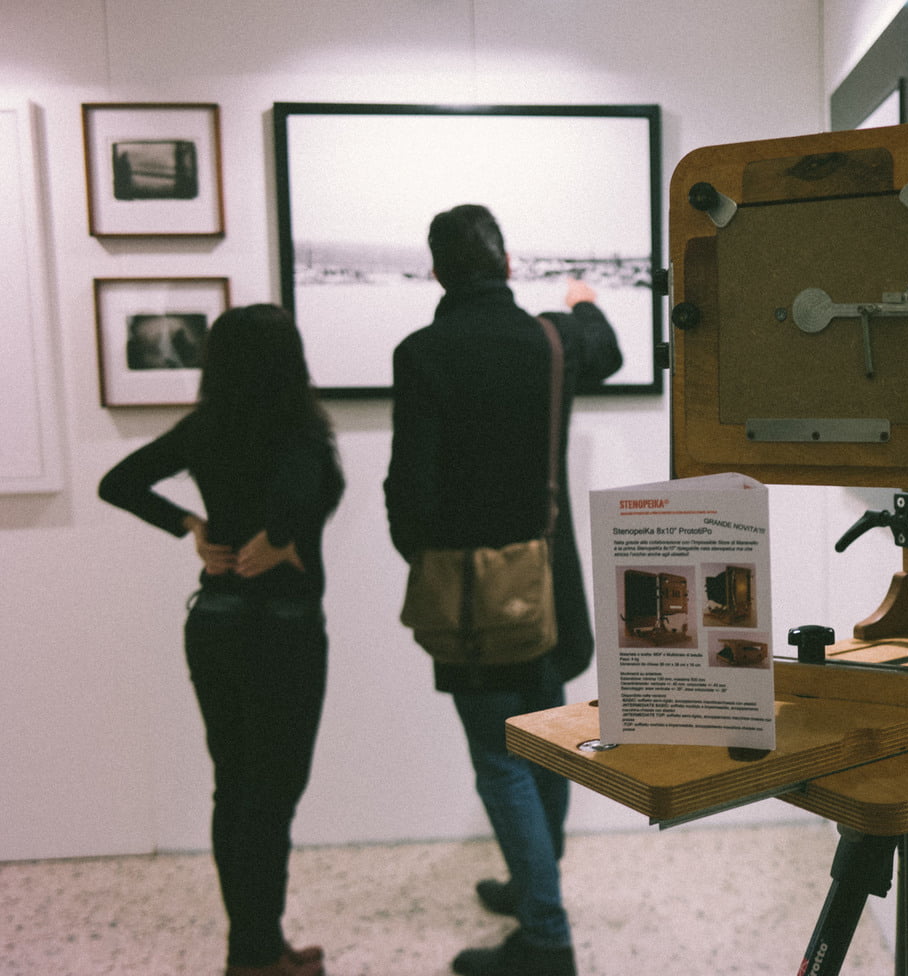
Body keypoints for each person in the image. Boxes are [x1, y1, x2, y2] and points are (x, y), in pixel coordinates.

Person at [384, 204, 621, 976]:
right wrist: (582, 298)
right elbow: (609, 348)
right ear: (509, 263)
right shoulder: (554, 338)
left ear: (438, 273)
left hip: (471, 596)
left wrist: (421, 554)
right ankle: (531, 885)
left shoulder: (422, 352)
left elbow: (408, 489)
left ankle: (546, 937)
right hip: (548, 589)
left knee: (501, 757)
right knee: (544, 747)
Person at [98, 304, 344, 976]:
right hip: (284, 632)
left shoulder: (205, 426)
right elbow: (297, 495)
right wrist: (283, 539)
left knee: (233, 790)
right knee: (271, 798)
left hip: (215, 624)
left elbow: (117, 483)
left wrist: (193, 527)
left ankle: (256, 947)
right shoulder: (300, 431)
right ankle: (256, 954)